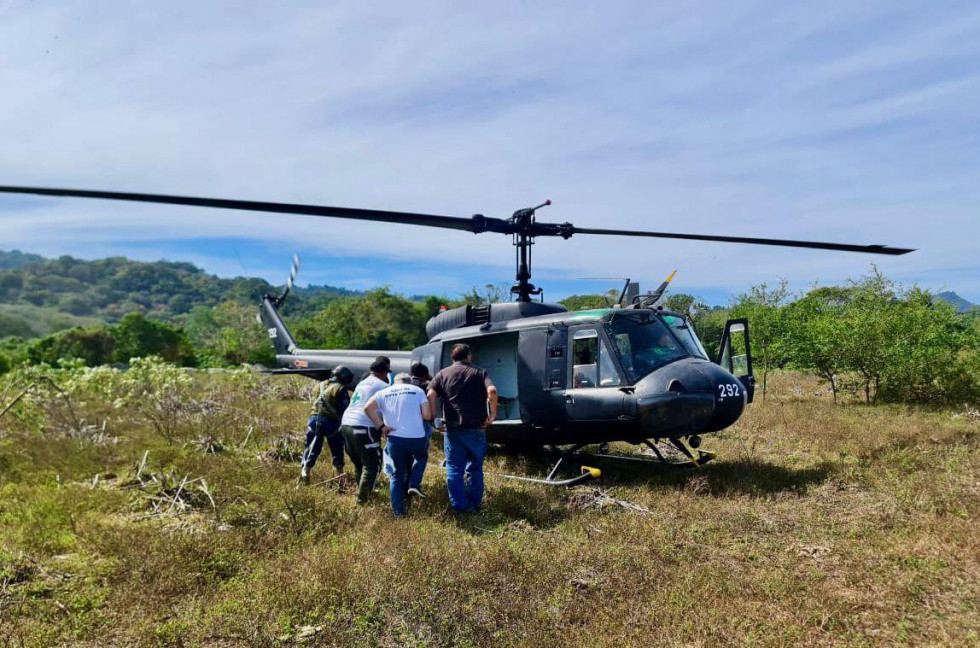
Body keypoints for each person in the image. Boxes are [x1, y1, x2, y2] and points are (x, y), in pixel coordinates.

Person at [427, 343, 498, 513]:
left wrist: (433, 417)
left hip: (452, 429)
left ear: (453, 358)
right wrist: (493, 414)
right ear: (468, 356)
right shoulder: (479, 372)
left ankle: (458, 507)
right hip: (476, 428)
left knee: (453, 468)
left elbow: (430, 394)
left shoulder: (442, 374)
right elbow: (492, 391)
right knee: (475, 467)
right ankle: (474, 506)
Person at [363, 373, 432, 516]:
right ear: (409, 381)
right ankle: (414, 484)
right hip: (416, 437)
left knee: (396, 474)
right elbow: (427, 416)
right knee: (421, 457)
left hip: (395, 439)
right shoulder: (417, 391)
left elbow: (367, 408)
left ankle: (398, 512)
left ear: (395, 382)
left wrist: (381, 426)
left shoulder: (383, 392)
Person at [339, 359, 390, 504]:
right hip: (363, 426)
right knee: (372, 464)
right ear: (385, 372)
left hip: (346, 423)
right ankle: (364, 500)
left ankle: (362, 490)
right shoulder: (383, 386)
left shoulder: (363, 382)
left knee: (359, 463)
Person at [300, 365, 354, 483]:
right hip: (331, 423)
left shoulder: (319, 385)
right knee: (337, 449)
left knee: (312, 448)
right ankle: (340, 477)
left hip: (314, 420)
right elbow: (344, 409)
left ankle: (305, 471)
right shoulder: (340, 389)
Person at [408, 362, 433, 497]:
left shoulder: (403, 384)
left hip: (403, 426)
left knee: (404, 456)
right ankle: (414, 484)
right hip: (421, 425)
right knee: (421, 456)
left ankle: (402, 482)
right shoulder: (424, 387)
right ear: (424, 375)